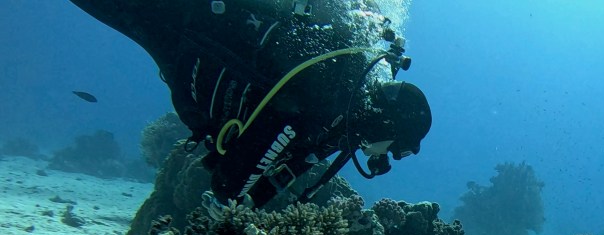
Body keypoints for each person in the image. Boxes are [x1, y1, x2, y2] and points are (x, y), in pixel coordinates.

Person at [68, 0, 432, 208]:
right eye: (397, 150)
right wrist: (234, 204)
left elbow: (286, 170)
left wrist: (249, 204)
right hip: (188, 29)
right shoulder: (326, 99)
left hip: (189, 52)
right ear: (388, 126)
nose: (384, 158)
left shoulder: (340, 124)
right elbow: (229, 182)